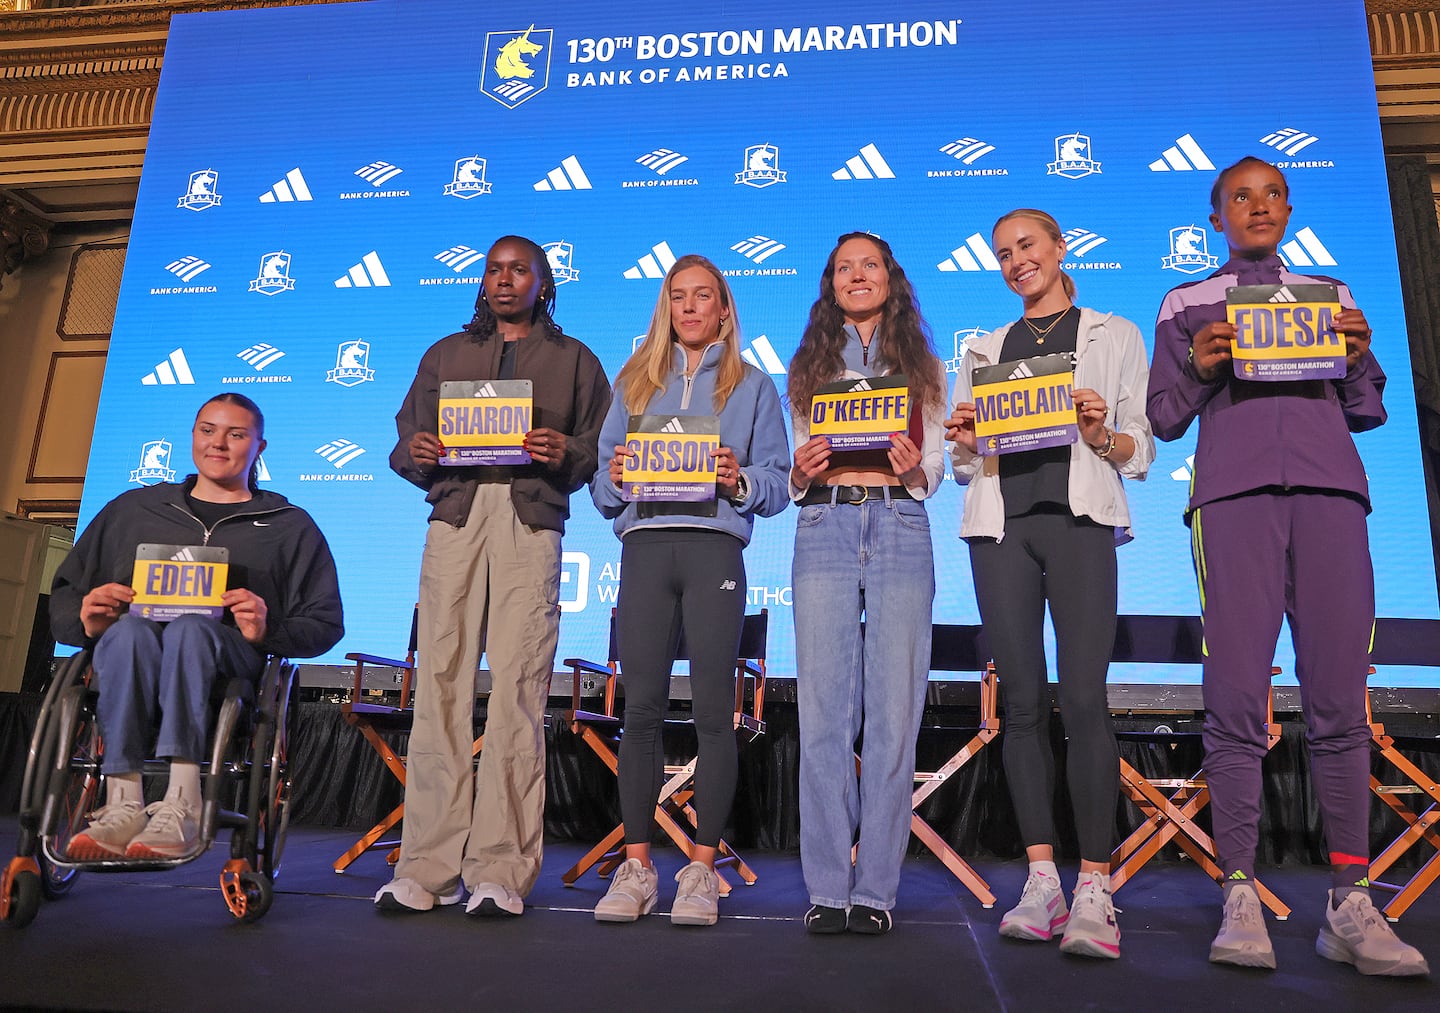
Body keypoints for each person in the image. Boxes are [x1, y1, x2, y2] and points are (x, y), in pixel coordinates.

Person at [1147, 157, 1428, 976]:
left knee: (1340, 696)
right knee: (1236, 692)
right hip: (1232, 500)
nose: (1259, 206)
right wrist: (1200, 366)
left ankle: (1351, 899)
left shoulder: (1329, 293)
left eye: (1272, 193)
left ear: (1290, 207)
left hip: (1332, 494)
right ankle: (1239, 890)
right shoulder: (1186, 302)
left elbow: (1367, 408)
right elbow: (1164, 417)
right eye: (1241, 196)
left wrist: (1357, 355)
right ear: (1217, 218)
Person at [376, 235, 610, 917]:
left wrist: (564, 450)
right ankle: (426, 868)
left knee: (518, 692)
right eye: (494, 270)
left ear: (544, 283)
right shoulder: (445, 354)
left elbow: (600, 447)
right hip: (456, 514)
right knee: (440, 685)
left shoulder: (574, 359)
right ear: (482, 281)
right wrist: (417, 451)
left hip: (528, 519)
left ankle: (500, 870)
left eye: (520, 270)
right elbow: (406, 440)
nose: (505, 280)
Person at [945, 209, 1154, 959]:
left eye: (1026, 246)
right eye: (1002, 253)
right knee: (1023, 705)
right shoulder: (984, 348)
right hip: (1000, 531)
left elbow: (1140, 448)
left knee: (1085, 699)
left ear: (1061, 248)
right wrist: (968, 440)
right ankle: (1042, 881)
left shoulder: (1114, 334)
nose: (1015, 262)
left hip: (1079, 525)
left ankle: (1095, 885)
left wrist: (1099, 432)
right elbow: (963, 464)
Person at [51, 393, 343, 860]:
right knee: (126, 631)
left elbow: (324, 623)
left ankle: (184, 800)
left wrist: (266, 629)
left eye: (236, 434)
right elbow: (65, 596)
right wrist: (86, 620)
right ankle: (123, 802)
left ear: (259, 447)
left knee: (189, 629)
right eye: (208, 430)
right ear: (193, 436)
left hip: (226, 661)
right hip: (132, 653)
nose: (218, 444)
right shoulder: (132, 510)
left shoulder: (289, 526)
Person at [587, 254, 790, 926]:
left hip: (714, 550)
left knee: (711, 713)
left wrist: (738, 480)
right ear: (666, 307)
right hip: (646, 547)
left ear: (724, 308)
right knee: (641, 710)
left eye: (704, 296)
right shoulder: (634, 382)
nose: (691, 307)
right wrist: (617, 477)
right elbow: (602, 489)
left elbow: (779, 484)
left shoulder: (753, 386)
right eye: (679, 296)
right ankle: (637, 868)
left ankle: (701, 870)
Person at [788, 232, 947, 935]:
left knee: (893, 716)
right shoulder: (808, 365)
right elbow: (795, 471)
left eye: (870, 264)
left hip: (900, 522)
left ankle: (876, 890)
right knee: (822, 715)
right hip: (824, 522)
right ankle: (827, 887)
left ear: (891, 277)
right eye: (844, 267)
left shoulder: (923, 365)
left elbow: (933, 471)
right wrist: (799, 471)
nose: (857, 275)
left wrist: (914, 469)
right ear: (831, 283)